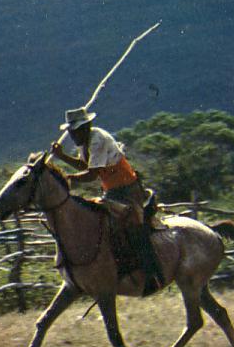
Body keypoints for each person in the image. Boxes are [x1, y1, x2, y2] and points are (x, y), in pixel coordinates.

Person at [50, 106, 164, 293]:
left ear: (85, 127)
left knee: (133, 226)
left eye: (74, 130)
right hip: (111, 191)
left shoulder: (97, 140)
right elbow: (85, 165)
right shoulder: (84, 141)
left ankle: (151, 273)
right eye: (70, 131)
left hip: (128, 190)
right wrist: (62, 156)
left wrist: (68, 178)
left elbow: (91, 174)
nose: (72, 134)